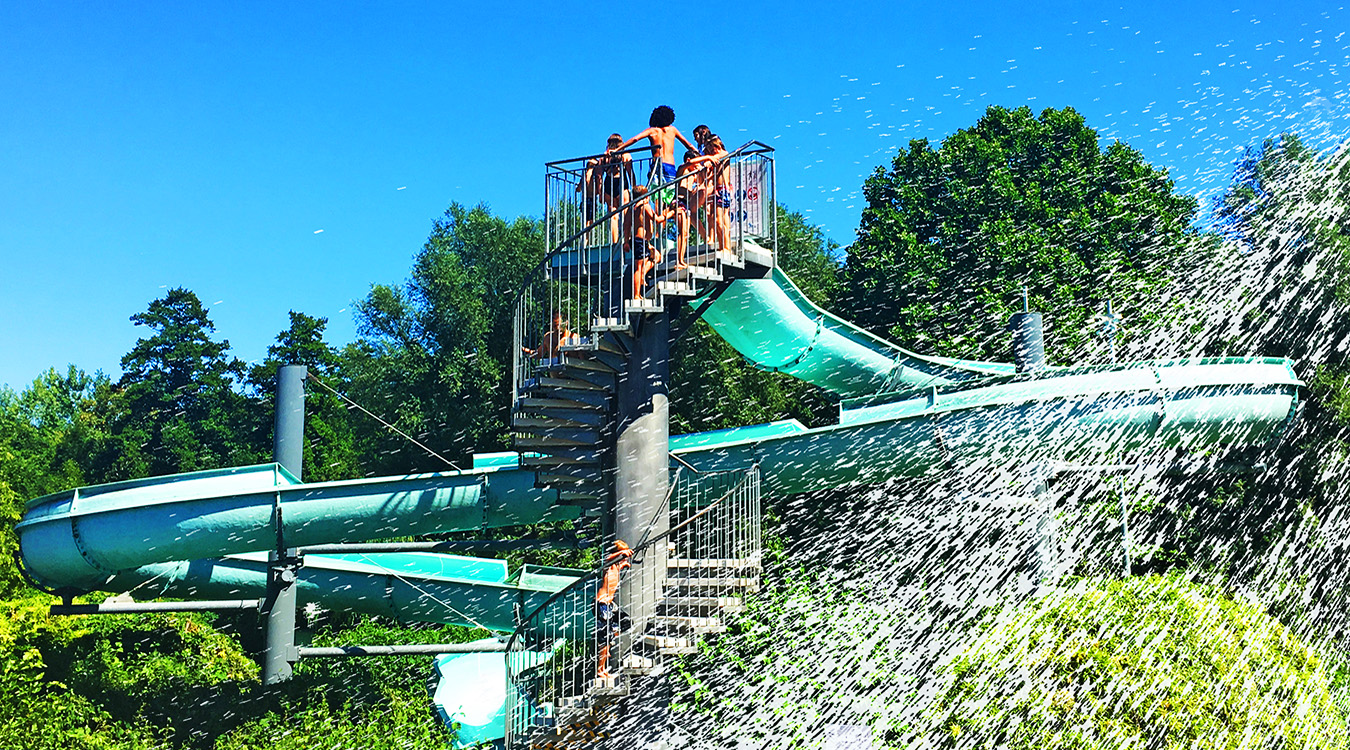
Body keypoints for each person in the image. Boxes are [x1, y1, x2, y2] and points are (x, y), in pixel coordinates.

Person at [614, 106, 699, 189]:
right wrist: (701, 156)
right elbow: (689, 145)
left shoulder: (652, 131)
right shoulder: (672, 130)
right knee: (670, 191)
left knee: (657, 193)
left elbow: (635, 139)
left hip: (657, 164)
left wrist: (618, 149)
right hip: (670, 165)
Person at [577, 134, 636, 244]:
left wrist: (600, 193)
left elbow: (599, 176)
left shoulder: (604, 157)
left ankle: (614, 242)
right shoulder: (625, 155)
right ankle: (627, 239)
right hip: (621, 183)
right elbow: (630, 172)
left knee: (613, 216)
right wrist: (634, 187)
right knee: (626, 212)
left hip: (609, 183)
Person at [622, 185, 678, 298]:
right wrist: (671, 213)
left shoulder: (631, 209)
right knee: (638, 267)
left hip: (641, 241)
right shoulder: (644, 206)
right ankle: (636, 294)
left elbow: (626, 225)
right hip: (640, 241)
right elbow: (657, 219)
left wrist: (627, 241)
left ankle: (643, 273)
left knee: (656, 256)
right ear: (644, 197)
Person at [595, 539, 634, 679]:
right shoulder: (608, 564)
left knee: (626, 622)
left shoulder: (616, 566)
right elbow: (607, 558)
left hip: (610, 605)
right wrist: (621, 553)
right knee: (605, 640)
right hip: (602, 604)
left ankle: (611, 636)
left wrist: (623, 563)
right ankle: (601, 670)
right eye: (621, 555)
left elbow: (618, 564)